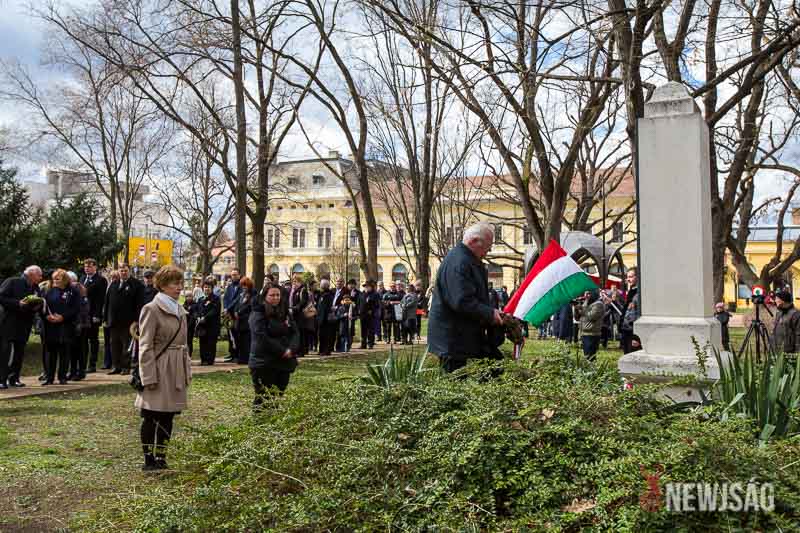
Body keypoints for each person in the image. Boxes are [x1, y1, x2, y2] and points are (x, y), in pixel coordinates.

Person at [135, 265, 192, 471]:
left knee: (168, 415)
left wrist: (186, 370)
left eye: (180, 283)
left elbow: (184, 345)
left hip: (175, 369)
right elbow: (145, 346)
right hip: (159, 368)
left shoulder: (180, 310)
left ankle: (161, 457)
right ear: (163, 285)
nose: (179, 287)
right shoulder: (151, 309)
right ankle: (148, 459)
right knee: (151, 415)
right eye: (175, 283)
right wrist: (148, 376)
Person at [427, 222, 504, 373]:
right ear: (474, 241)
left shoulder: (466, 259)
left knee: (495, 367)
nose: (487, 252)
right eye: (487, 247)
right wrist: (490, 314)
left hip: (464, 335)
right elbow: (461, 301)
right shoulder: (459, 262)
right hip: (453, 339)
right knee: (455, 378)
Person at [248, 283, 300, 411]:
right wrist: (282, 350)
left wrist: (291, 349)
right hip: (263, 362)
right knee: (264, 397)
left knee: (277, 396)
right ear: (265, 296)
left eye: (278, 295)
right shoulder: (258, 313)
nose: (276, 298)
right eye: (272, 295)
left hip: (283, 362)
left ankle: (273, 418)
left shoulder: (284, 312)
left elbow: (295, 332)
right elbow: (261, 336)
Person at [0, 265, 43, 389]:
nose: (41, 278)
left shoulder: (35, 287)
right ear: (31, 274)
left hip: (24, 324)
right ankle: (2, 379)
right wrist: (17, 303)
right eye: (39, 275)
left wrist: (37, 306)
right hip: (8, 323)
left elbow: (37, 302)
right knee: (5, 352)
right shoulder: (12, 282)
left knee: (19, 352)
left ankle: (14, 378)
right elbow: (1, 297)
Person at [41, 269, 81, 385]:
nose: (54, 281)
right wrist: (47, 316)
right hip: (50, 326)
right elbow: (42, 306)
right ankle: (49, 377)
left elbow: (76, 308)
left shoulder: (73, 291)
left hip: (66, 326)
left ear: (64, 280)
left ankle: (62, 377)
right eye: (53, 279)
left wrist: (63, 317)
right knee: (50, 353)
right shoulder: (49, 291)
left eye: (57, 279)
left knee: (64, 353)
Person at [104, 264, 144, 375]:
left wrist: (137, 320)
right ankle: (116, 366)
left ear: (129, 271)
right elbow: (107, 302)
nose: (123, 273)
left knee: (126, 345)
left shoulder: (137, 285)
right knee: (114, 344)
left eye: (125, 271)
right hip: (114, 321)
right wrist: (106, 317)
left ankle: (125, 367)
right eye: (121, 271)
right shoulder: (114, 284)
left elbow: (140, 304)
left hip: (128, 322)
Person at [80, 258, 107, 373]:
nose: (87, 268)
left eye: (90, 266)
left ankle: (92, 364)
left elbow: (100, 299)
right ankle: (83, 363)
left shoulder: (100, 280)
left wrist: (97, 315)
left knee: (93, 340)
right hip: (83, 315)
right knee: (83, 340)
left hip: (93, 314)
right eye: (85, 266)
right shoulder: (82, 278)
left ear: (95, 267)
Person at [69, 276, 91, 381]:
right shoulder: (73, 299)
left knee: (81, 350)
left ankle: (81, 371)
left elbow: (83, 313)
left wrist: (79, 324)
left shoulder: (83, 299)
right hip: (73, 326)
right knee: (72, 350)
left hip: (82, 327)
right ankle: (73, 371)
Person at [196, 276, 221, 365]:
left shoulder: (216, 299)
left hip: (212, 325)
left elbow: (214, 311)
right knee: (202, 343)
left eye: (209, 287)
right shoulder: (200, 299)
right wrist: (198, 317)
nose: (207, 289)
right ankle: (203, 360)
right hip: (202, 326)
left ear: (212, 288)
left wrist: (205, 317)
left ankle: (210, 360)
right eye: (205, 287)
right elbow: (197, 310)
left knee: (211, 343)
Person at [234, 277, 255, 364]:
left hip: (247, 321)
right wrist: (236, 311)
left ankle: (246, 358)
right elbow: (237, 304)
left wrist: (240, 312)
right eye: (242, 285)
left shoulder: (253, 295)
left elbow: (251, 307)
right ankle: (241, 357)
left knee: (246, 341)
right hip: (240, 322)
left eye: (245, 285)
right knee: (240, 341)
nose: (244, 287)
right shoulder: (241, 295)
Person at [222, 269, 242, 363]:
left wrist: (229, 308)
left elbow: (237, 299)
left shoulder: (241, 286)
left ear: (239, 275)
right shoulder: (229, 286)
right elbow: (225, 298)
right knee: (230, 335)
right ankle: (232, 353)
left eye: (235, 275)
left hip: (236, 313)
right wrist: (225, 308)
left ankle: (238, 354)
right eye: (232, 275)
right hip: (229, 314)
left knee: (237, 335)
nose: (233, 276)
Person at [772, 290, 800, 355]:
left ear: (783, 300)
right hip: (777, 351)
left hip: (790, 353)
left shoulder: (796, 314)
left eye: (777, 299)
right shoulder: (779, 313)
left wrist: (797, 354)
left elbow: (798, 335)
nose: (775, 301)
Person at [580, 289, 604, 361]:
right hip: (584, 332)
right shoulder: (586, 303)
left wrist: (582, 308)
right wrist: (576, 308)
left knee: (590, 357)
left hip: (592, 334)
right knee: (586, 356)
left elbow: (592, 316)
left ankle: (592, 367)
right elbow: (578, 317)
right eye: (585, 294)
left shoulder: (598, 304)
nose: (586, 296)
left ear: (594, 294)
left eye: (588, 294)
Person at [620, 267, 639, 353]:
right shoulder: (631, 291)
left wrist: (636, 337)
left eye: (631, 277)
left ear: (638, 277)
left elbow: (638, 315)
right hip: (626, 330)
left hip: (633, 333)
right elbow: (626, 311)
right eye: (627, 277)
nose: (628, 279)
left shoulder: (639, 293)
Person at [316, 279, 337, 355]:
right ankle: (321, 350)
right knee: (321, 335)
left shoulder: (328, 295)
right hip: (321, 318)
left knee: (327, 335)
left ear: (325, 286)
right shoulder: (321, 294)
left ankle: (326, 350)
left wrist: (323, 317)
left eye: (321, 284)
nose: (320, 285)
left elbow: (327, 308)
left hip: (326, 319)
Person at [359, 280, 380, 349]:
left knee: (370, 330)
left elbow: (377, 305)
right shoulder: (362, 294)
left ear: (371, 287)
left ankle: (370, 344)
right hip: (363, 314)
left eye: (368, 286)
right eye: (365, 286)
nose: (366, 288)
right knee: (363, 330)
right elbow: (359, 303)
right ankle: (363, 344)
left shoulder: (375, 294)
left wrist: (372, 310)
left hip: (370, 315)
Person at [183, 291, 198, 358]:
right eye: (187, 296)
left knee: (189, 341)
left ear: (192, 297)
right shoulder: (184, 305)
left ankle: (189, 355)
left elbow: (194, 316)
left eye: (190, 296)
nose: (188, 298)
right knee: (184, 342)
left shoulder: (194, 305)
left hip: (190, 326)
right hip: (184, 326)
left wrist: (188, 325)